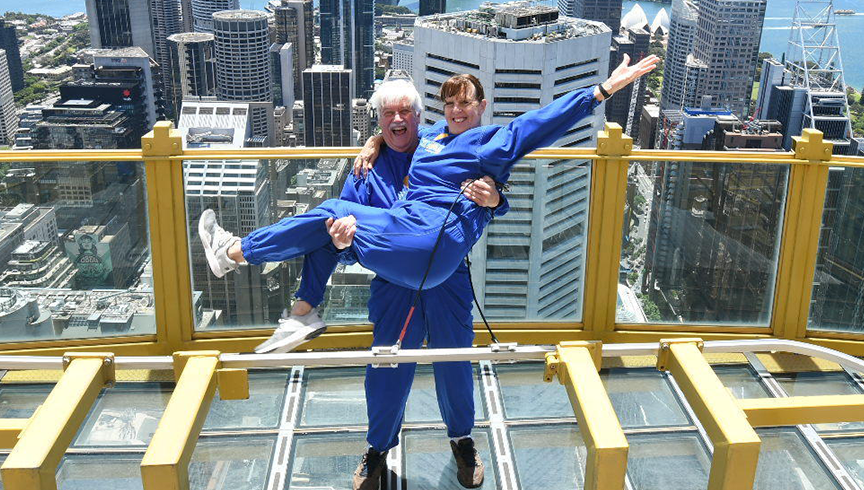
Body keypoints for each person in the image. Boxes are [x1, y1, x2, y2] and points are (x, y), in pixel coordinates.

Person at [199, 53, 656, 485]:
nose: (397, 122)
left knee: (455, 363)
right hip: (395, 283)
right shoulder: (368, 167)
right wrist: (343, 235)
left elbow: (513, 146)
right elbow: (336, 240)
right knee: (386, 370)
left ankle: (462, 442)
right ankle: (377, 449)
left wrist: (498, 199)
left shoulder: (441, 144)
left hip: (448, 277)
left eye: (406, 114)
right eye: (387, 116)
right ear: (377, 120)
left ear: (422, 117)